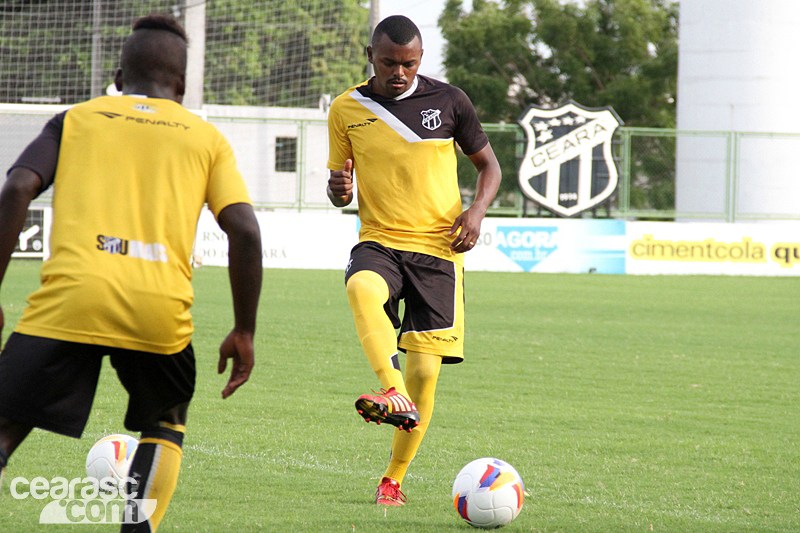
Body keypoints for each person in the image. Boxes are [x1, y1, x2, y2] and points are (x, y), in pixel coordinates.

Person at [0, 14, 262, 533]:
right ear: (181, 86)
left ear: (119, 77)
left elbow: (15, 190)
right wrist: (243, 329)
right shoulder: (206, 139)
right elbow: (246, 232)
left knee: (3, 428)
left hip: (71, 300)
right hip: (157, 310)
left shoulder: (75, 120)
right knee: (165, 421)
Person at [326, 15, 502, 506]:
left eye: (408, 63)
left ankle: (392, 480)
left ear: (420, 59)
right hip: (380, 239)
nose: (398, 72)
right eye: (388, 63)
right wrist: (338, 189)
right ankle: (390, 389)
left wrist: (477, 211)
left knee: (425, 375)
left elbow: (489, 166)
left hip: (439, 252)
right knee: (361, 287)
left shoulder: (450, 101)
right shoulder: (347, 108)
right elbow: (339, 188)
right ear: (370, 56)